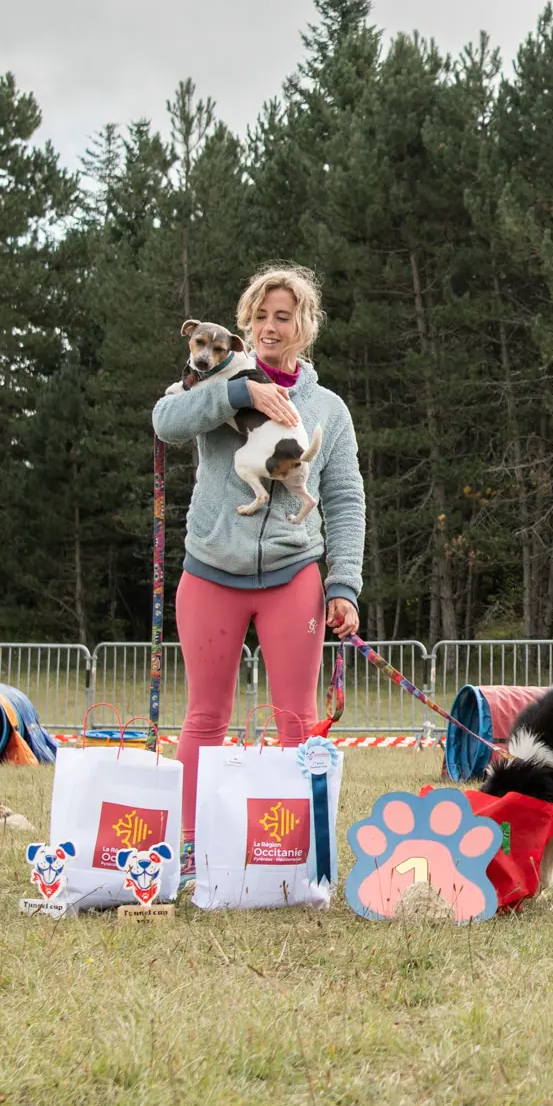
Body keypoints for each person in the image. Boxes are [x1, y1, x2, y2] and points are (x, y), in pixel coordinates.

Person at [151, 264, 365, 874]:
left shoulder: (327, 408)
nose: (271, 327)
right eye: (261, 317)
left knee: (298, 720)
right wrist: (239, 393)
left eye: (284, 316)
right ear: (245, 326)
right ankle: (190, 851)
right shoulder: (214, 380)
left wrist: (344, 584)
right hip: (211, 570)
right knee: (205, 716)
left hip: (295, 574)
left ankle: (304, 856)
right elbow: (165, 424)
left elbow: (346, 497)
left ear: (305, 327)